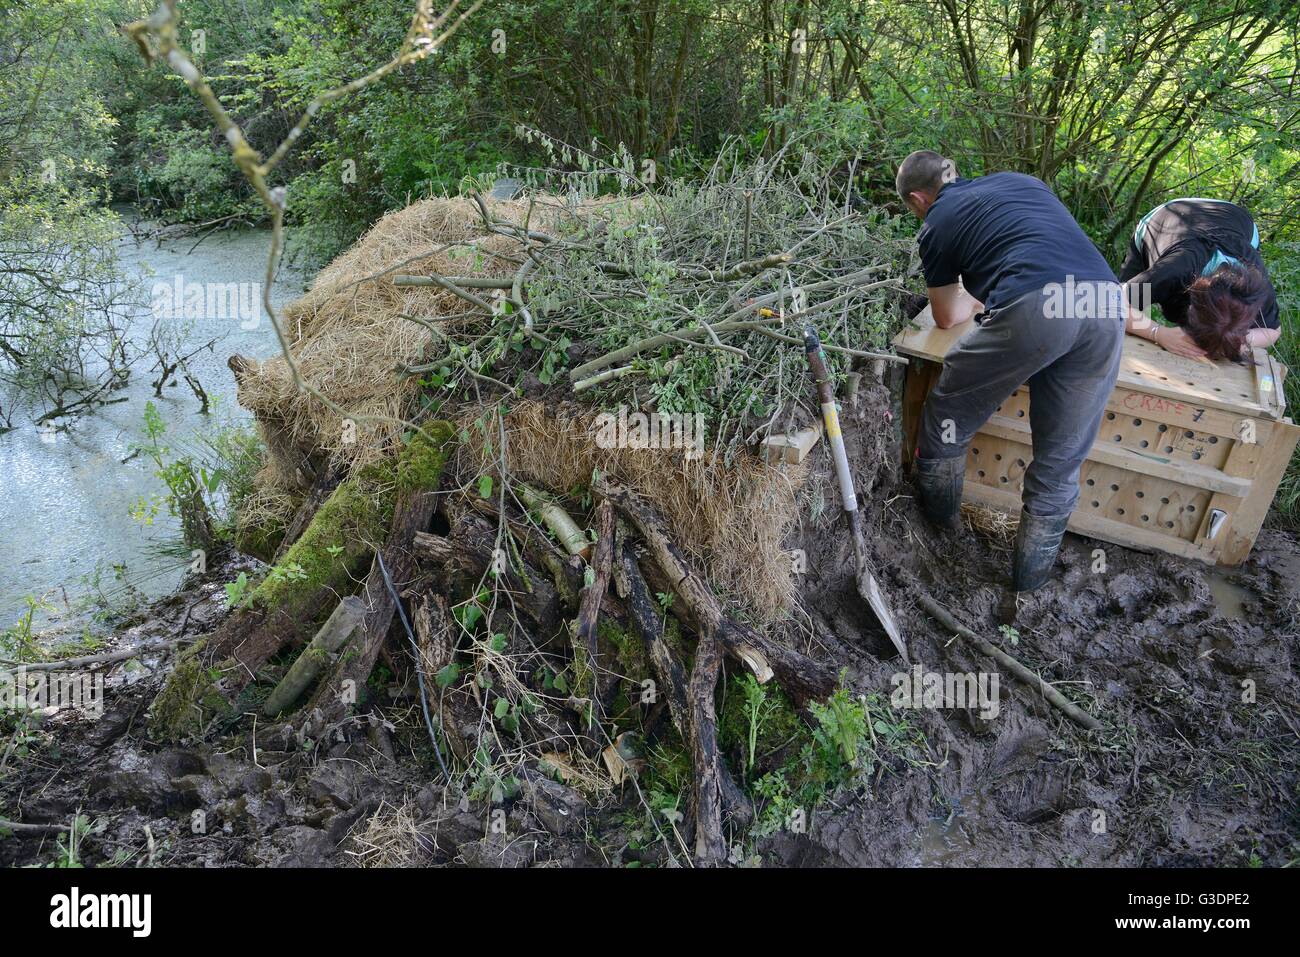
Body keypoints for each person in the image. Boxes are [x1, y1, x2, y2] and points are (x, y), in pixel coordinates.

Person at [896, 150, 1124, 605]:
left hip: (1037, 308)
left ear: (919, 199)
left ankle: (940, 533)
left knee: (947, 412)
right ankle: (1025, 591)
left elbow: (945, 317)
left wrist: (986, 299)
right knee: (1060, 463)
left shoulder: (936, 222)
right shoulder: (1023, 183)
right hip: (1107, 306)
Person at [1119, 198, 1280, 361]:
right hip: (1165, 218)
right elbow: (1106, 302)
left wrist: (1238, 341)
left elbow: (1272, 330)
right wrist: (1158, 333)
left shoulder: (1256, 285)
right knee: (1127, 314)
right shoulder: (1174, 272)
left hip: (1235, 218)